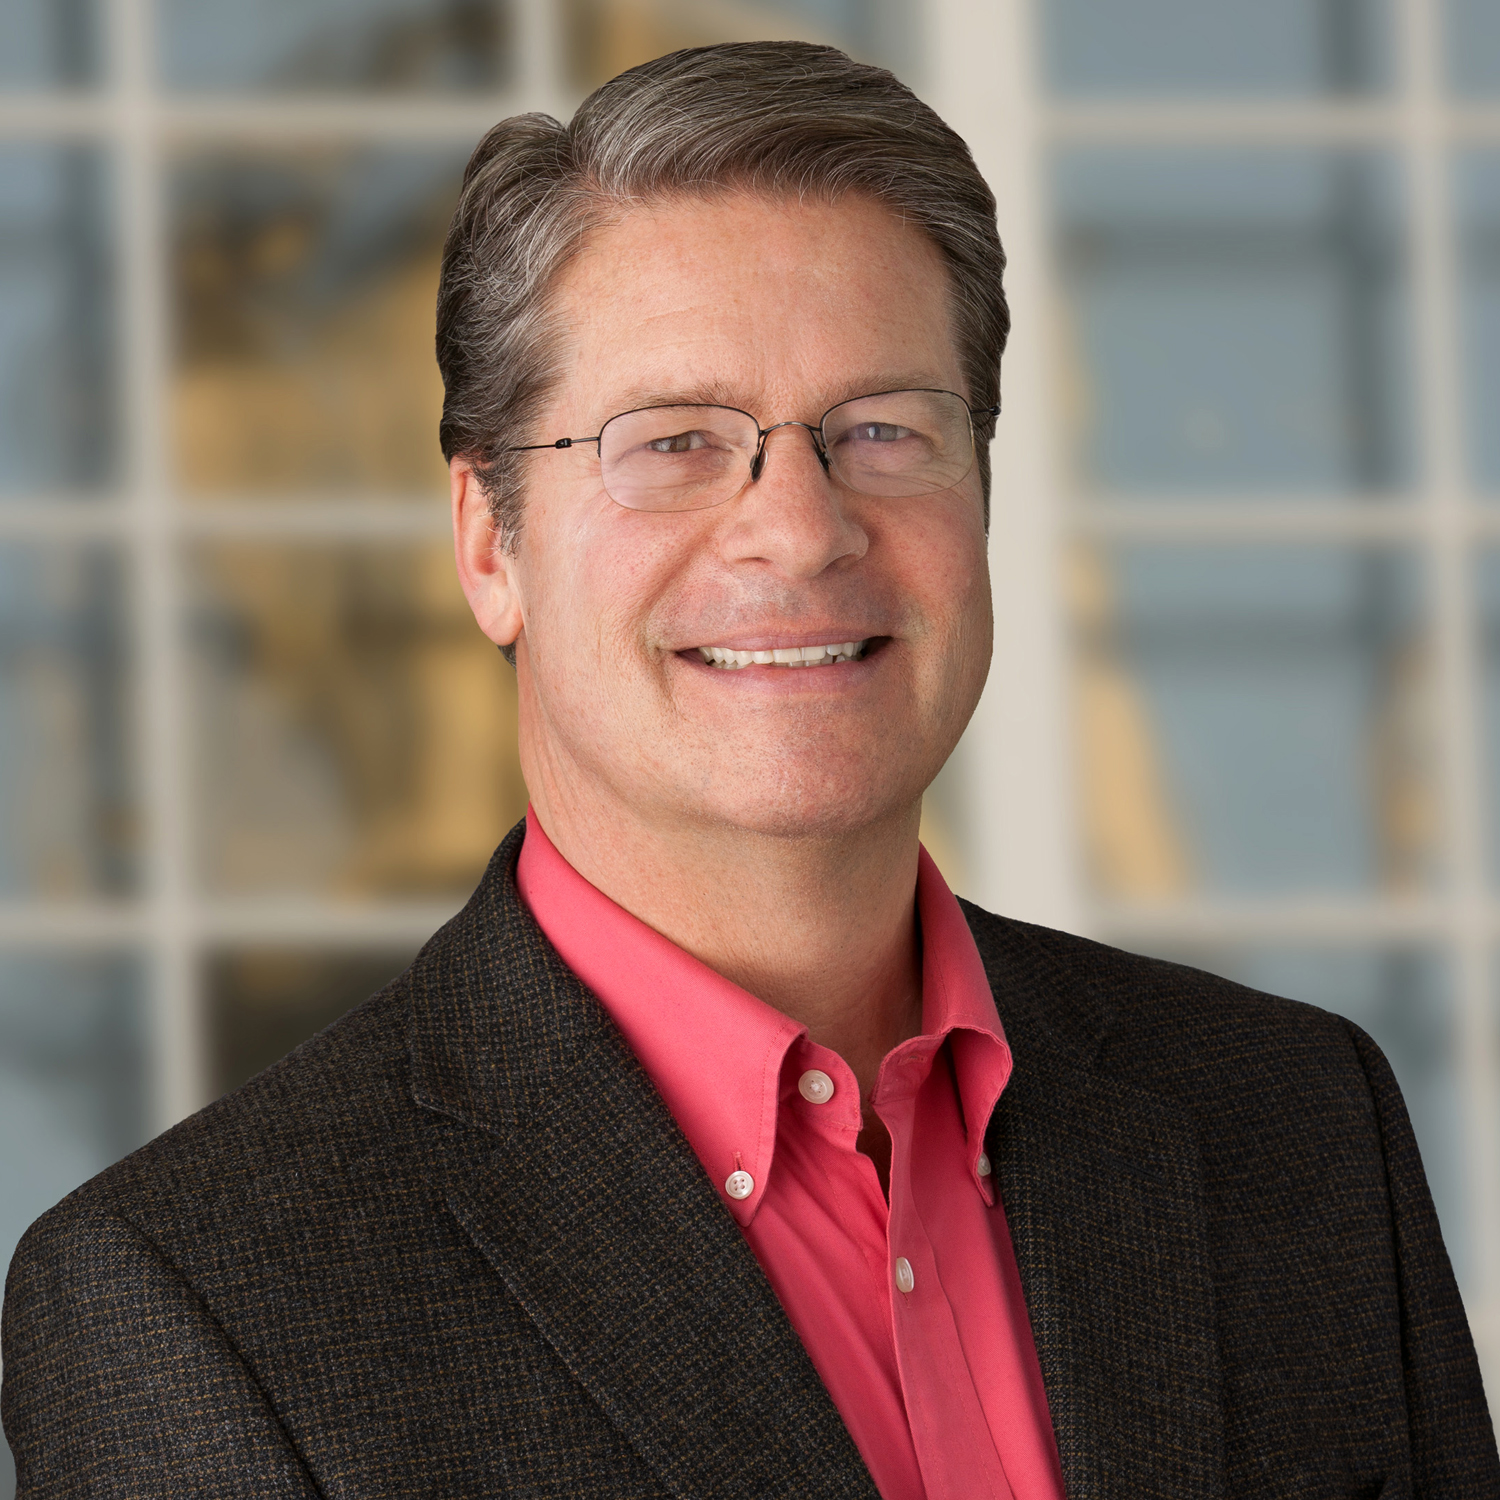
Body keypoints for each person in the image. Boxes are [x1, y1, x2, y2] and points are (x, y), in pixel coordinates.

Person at [3, 40, 1496, 1499]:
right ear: (489, 544)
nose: (799, 529)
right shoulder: (192, 1308)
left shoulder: (1301, 1125)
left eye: (882, 429)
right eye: (673, 442)